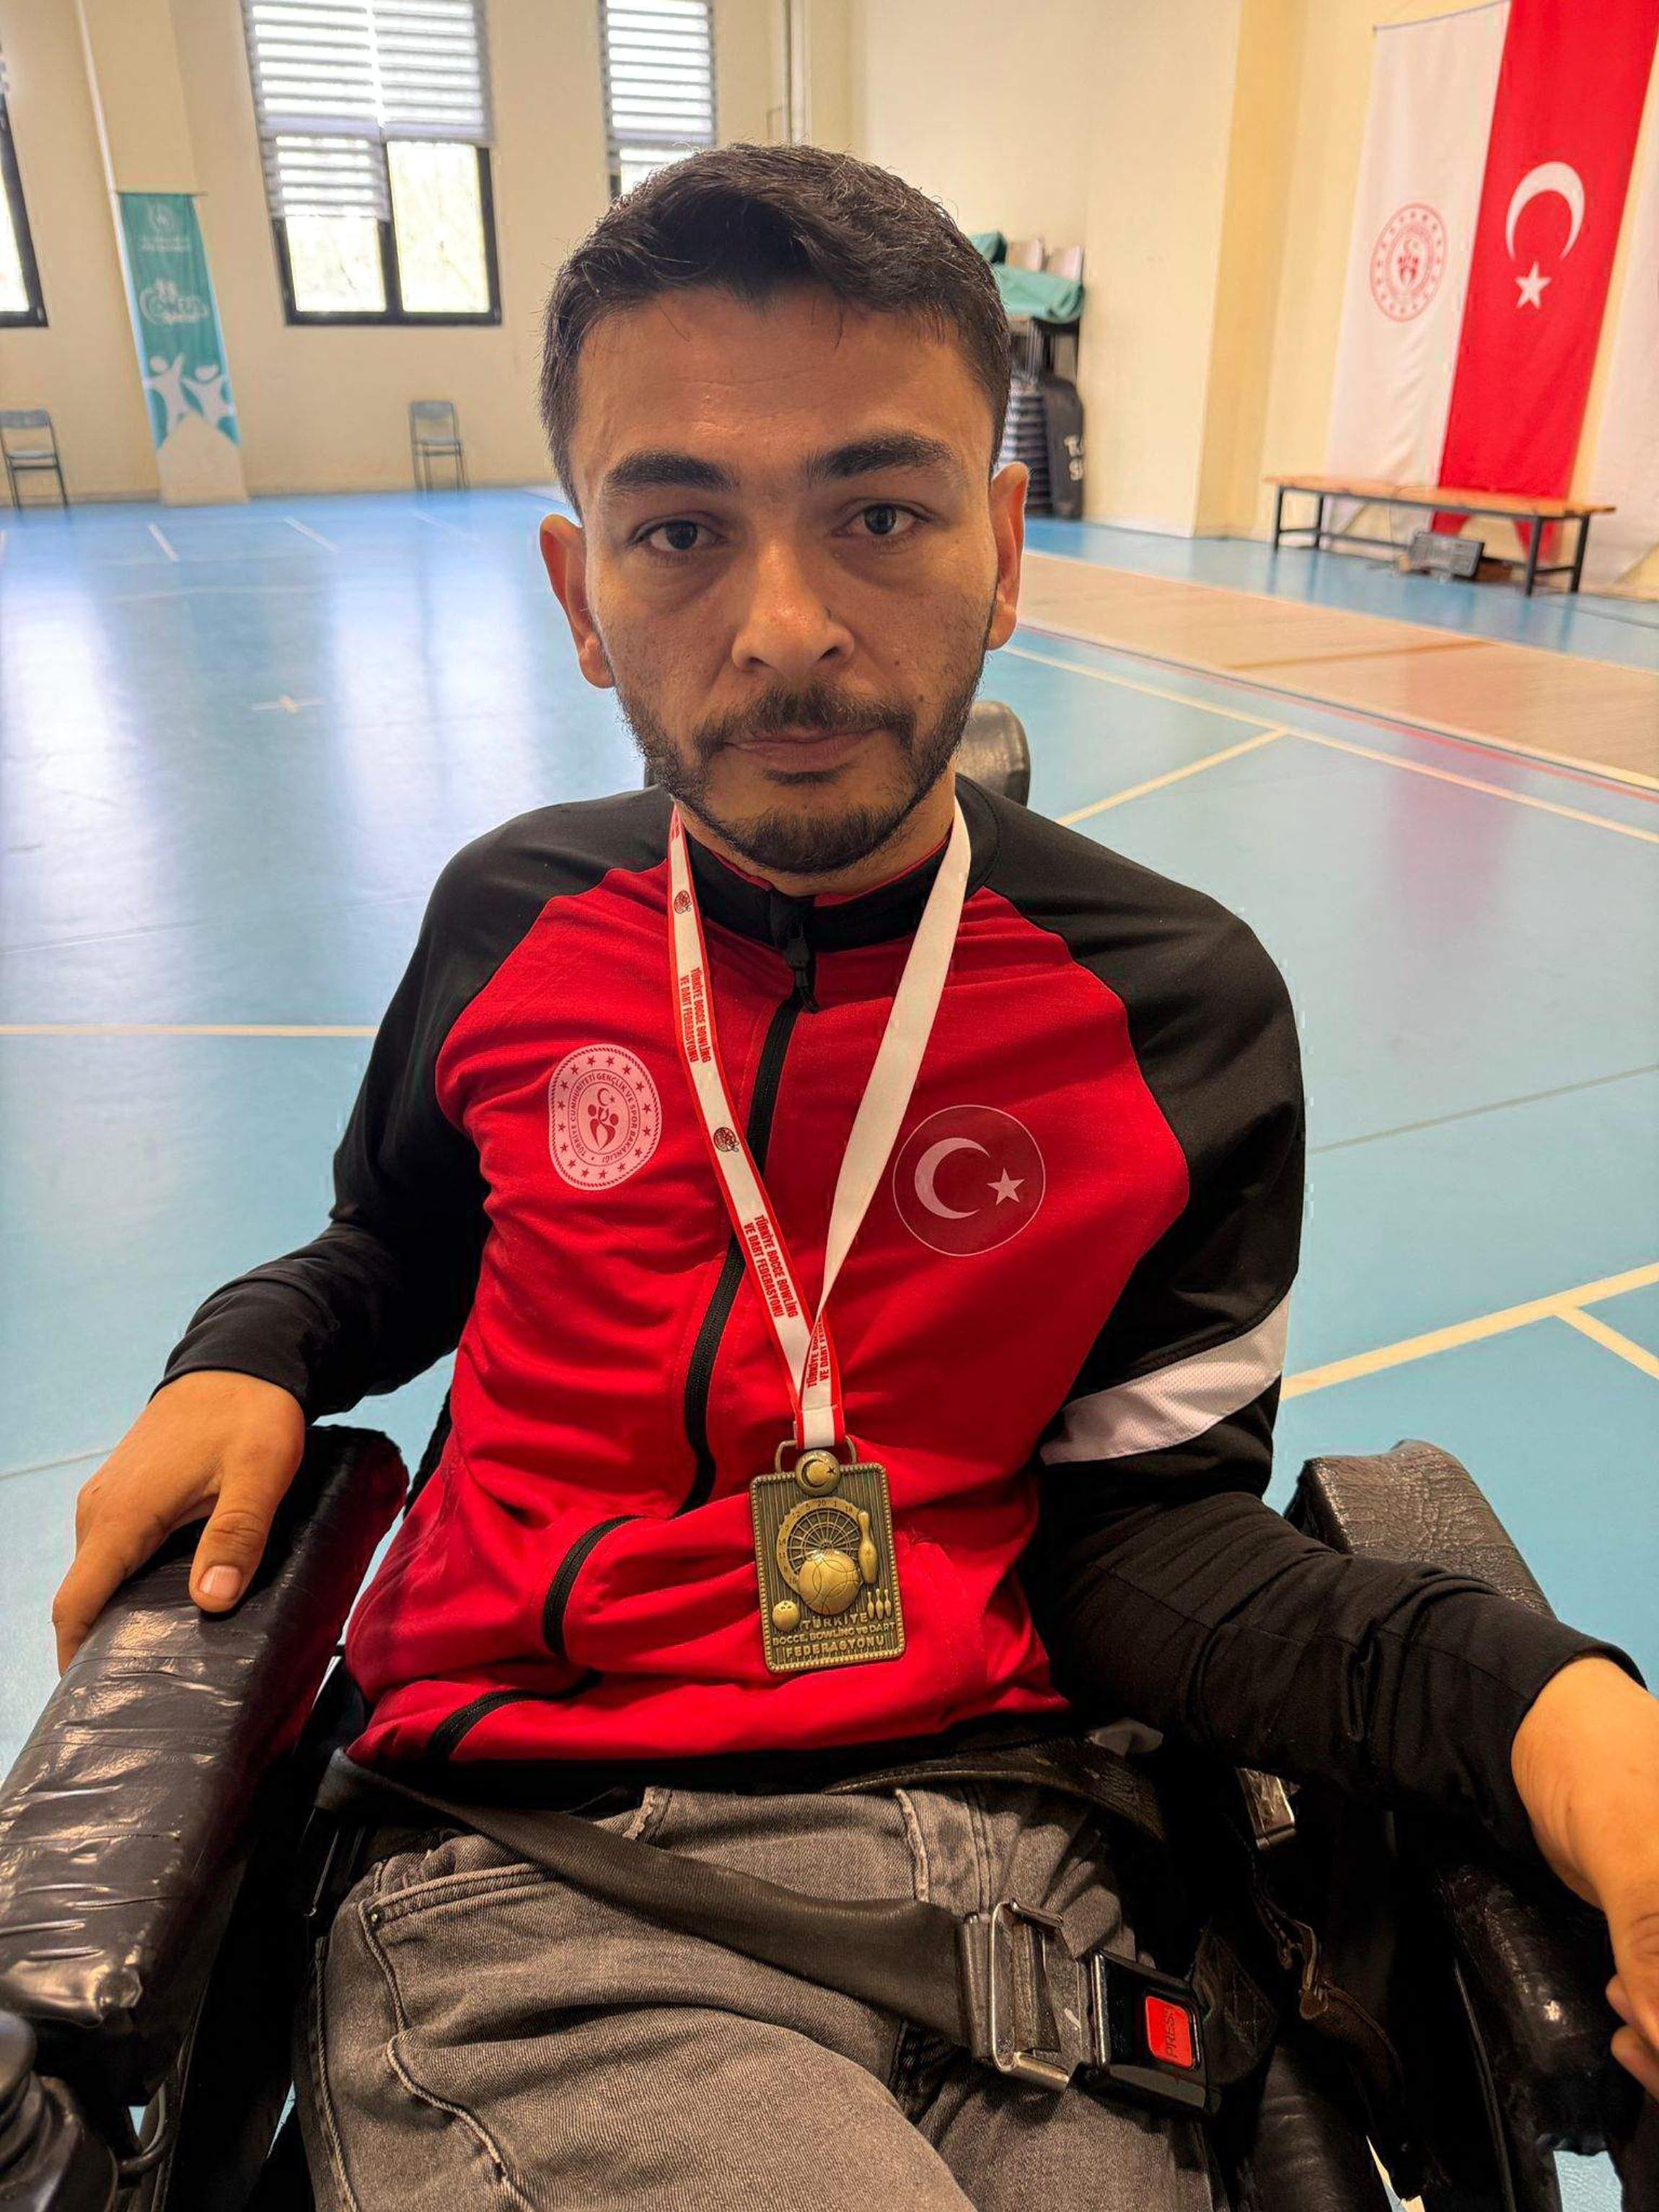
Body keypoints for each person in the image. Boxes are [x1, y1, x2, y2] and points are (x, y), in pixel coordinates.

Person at [55, 146, 1659, 2210]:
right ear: (578, 595)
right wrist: (250, 1347)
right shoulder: (510, 924)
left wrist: (1558, 1719)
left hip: (1031, 1883)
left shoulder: (1172, 1013)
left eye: (879, 514)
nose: (788, 629)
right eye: (679, 531)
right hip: (540, 1863)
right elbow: (396, 1246)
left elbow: (1141, 1539)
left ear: (1005, 549)